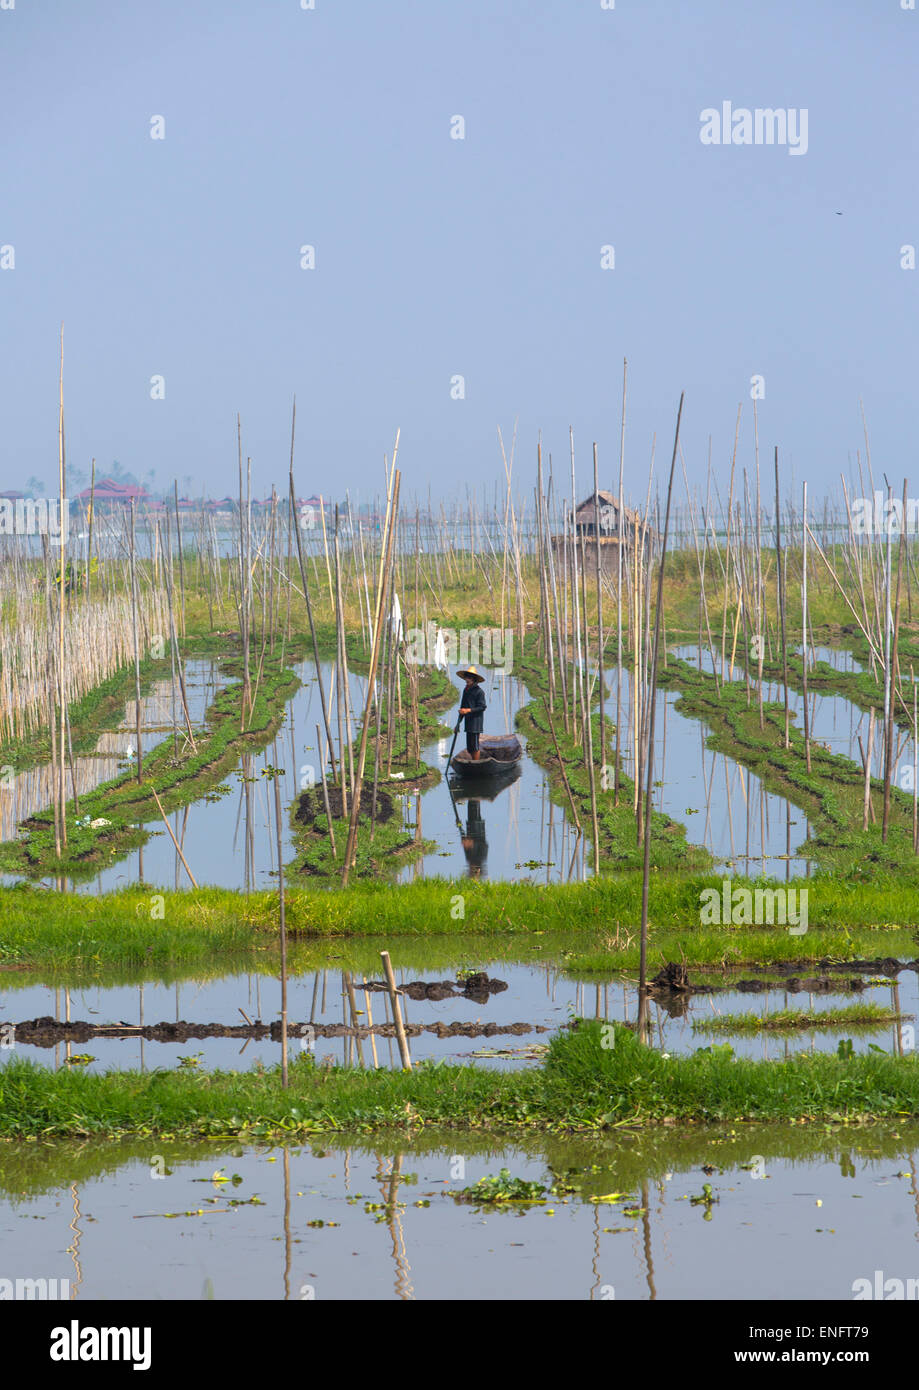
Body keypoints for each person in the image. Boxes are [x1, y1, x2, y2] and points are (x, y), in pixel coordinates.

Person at [457, 666, 486, 761]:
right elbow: (462, 708)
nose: (467, 680)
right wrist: (458, 724)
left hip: (476, 722)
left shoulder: (479, 692)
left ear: (474, 679)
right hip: (468, 722)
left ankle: (476, 764)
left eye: (469, 678)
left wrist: (468, 710)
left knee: (475, 746)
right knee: (469, 747)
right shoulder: (466, 691)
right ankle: (473, 761)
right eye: (466, 678)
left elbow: (482, 707)